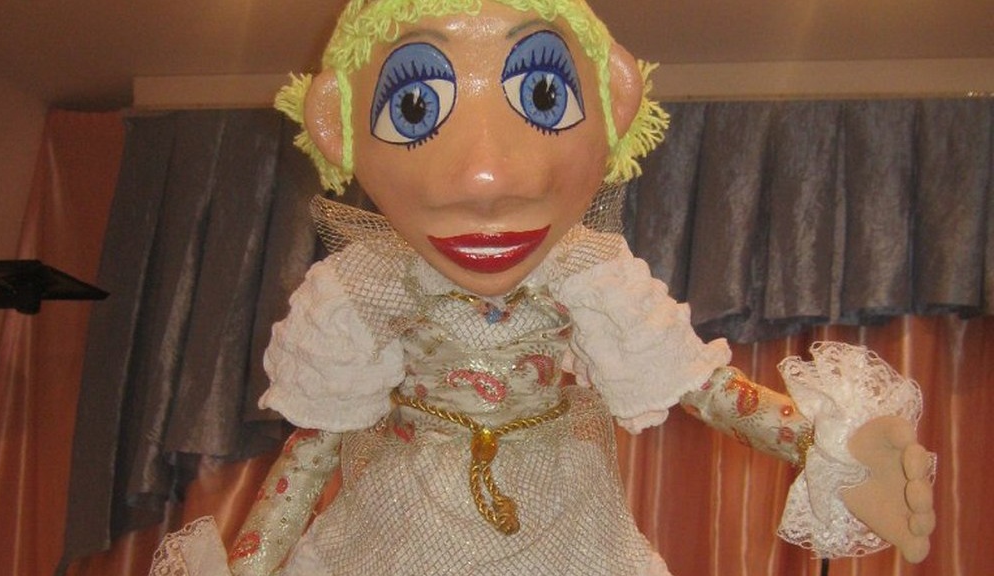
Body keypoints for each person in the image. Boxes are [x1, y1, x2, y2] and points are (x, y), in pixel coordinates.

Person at [149, 1, 936, 574]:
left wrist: (828, 449)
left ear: (615, 102)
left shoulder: (590, 271)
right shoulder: (361, 286)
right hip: (393, 537)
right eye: (415, 105)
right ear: (336, 125)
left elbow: (700, 386)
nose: (486, 178)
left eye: (543, 95)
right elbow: (317, 445)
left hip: (568, 532)